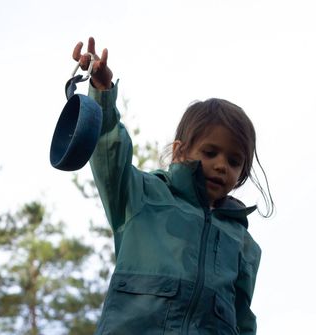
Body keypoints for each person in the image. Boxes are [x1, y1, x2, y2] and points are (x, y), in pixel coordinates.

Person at [72, 37, 274, 335]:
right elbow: (109, 151)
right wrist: (102, 93)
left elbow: (242, 320)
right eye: (210, 153)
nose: (221, 165)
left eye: (234, 161)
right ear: (180, 152)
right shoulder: (144, 195)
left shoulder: (244, 245)